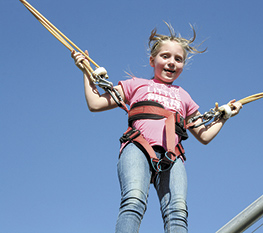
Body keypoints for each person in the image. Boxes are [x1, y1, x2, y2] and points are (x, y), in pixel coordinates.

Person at [71, 23, 242, 233]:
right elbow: (95, 104)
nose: (172, 62)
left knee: (177, 212)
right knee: (133, 200)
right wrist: (86, 72)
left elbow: (204, 135)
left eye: (178, 59)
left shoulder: (184, 97)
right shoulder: (136, 85)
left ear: (183, 65)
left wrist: (225, 117)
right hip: (138, 147)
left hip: (172, 156)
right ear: (153, 61)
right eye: (165, 57)